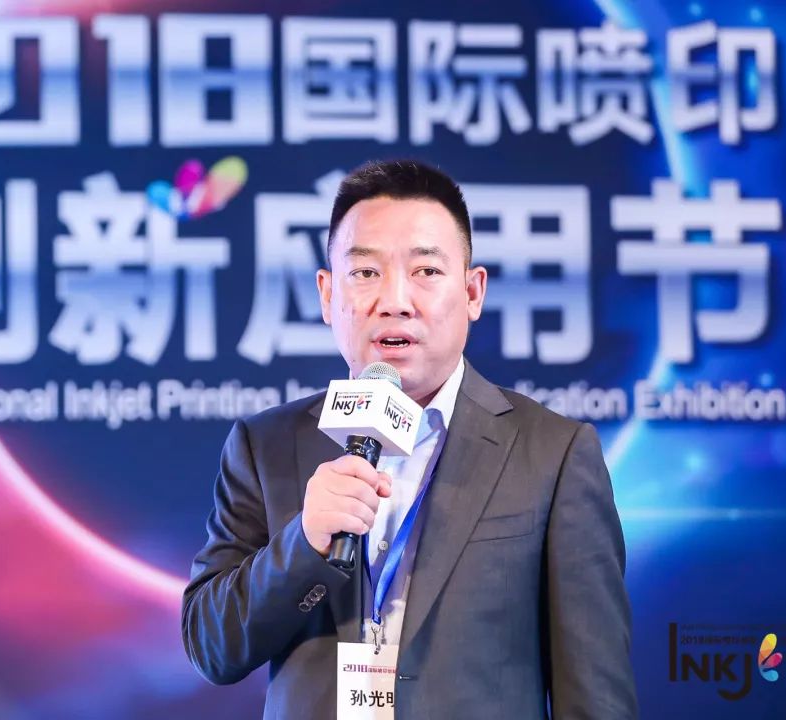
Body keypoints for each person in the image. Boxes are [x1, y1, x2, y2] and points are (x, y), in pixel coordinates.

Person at [181, 159, 638, 719]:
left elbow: (594, 694)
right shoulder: (266, 445)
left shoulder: (553, 454)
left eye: (425, 271)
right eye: (365, 272)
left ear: (472, 292)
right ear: (327, 294)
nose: (395, 300)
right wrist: (306, 542)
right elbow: (212, 646)